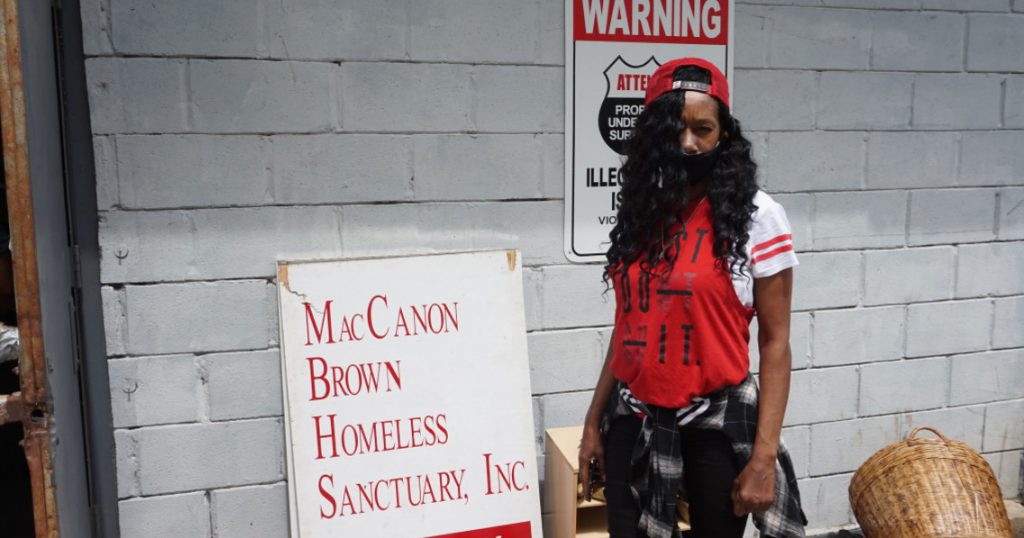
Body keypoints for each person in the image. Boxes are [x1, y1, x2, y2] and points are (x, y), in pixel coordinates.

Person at [577, 58, 808, 538]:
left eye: (703, 128)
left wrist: (764, 457)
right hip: (635, 417)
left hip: (716, 423)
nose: (688, 143)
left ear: (724, 134)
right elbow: (628, 327)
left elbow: (776, 343)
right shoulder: (645, 209)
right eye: (675, 130)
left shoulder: (757, 216)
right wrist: (593, 420)